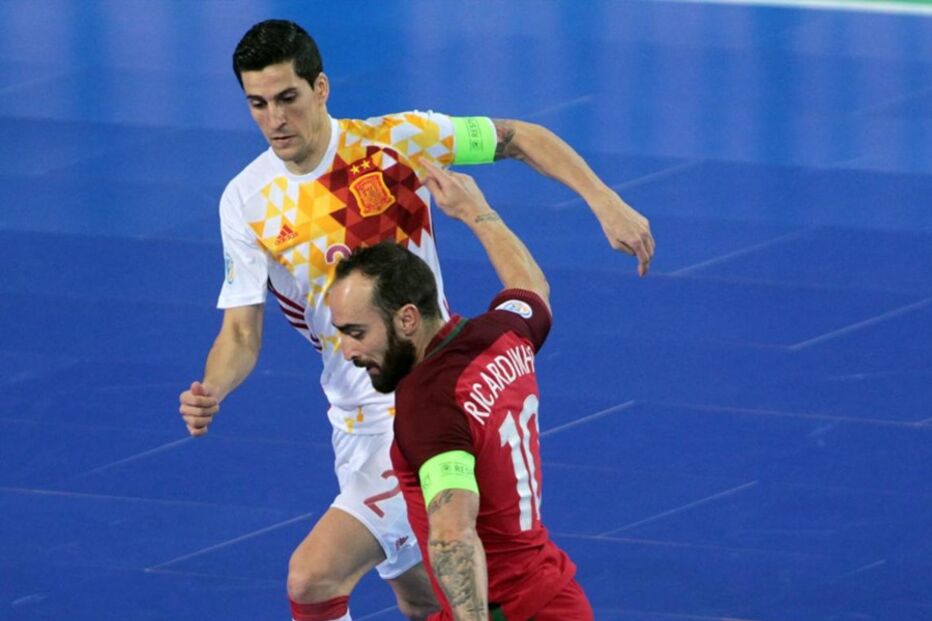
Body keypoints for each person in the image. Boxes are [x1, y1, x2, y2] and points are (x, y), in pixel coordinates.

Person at [177, 18, 649, 621]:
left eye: (288, 98)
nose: (275, 120)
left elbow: (521, 137)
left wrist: (605, 201)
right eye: (258, 104)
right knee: (422, 597)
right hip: (349, 419)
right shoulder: (245, 201)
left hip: (418, 405)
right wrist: (213, 387)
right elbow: (241, 332)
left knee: (313, 578)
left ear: (321, 88)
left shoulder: (397, 141)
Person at [329, 161, 592, 620]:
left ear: (407, 319)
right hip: (555, 594)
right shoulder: (501, 334)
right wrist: (478, 212)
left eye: (356, 331)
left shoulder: (429, 404)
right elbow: (532, 288)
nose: (347, 350)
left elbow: (452, 534)